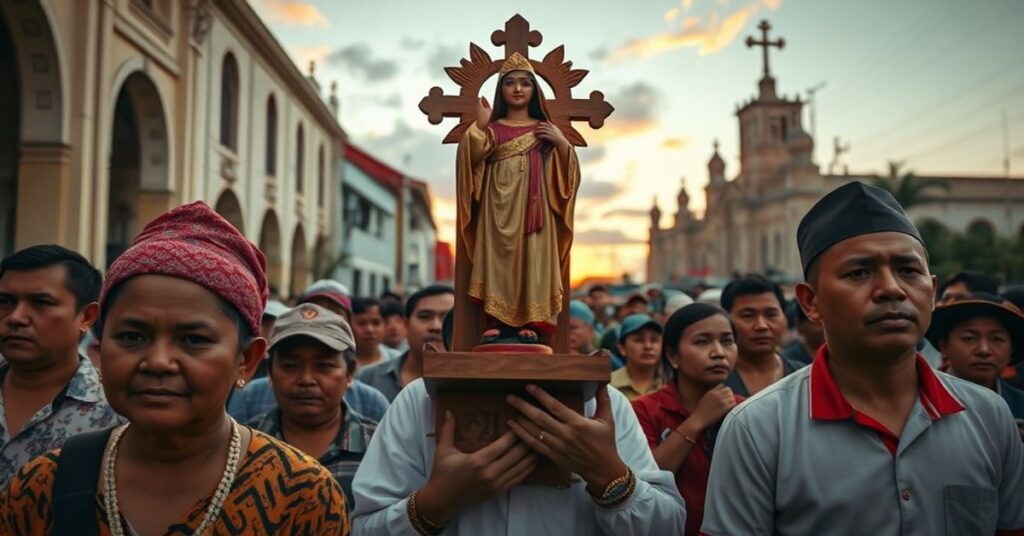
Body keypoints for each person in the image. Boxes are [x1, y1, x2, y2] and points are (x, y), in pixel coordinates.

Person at [0, 202, 348, 534]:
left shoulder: (302, 495)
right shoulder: (42, 487)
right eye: (133, 336)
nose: (158, 362)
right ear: (100, 347)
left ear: (247, 359)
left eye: (193, 340)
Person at [702, 182, 1024, 535]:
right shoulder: (758, 429)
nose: (891, 288)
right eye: (859, 272)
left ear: (932, 292)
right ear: (811, 302)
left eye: (907, 270)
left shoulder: (989, 417)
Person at [351, 377, 685, 534]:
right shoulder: (421, 400)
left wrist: (609, 475)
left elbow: (667, 527)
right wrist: (436, 502)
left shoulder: (597, 404)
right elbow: (364, 529)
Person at [457, 52, 579, 343]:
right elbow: (470, 158)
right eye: (510, 83)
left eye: (525, 83)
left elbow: (568, 175)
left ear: (534, 90)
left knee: (533, 260)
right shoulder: (493, 128)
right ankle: (497, 320)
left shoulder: (544, 130)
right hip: (496, 209)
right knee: (498, 259)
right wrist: (482, 127)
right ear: (501, 90)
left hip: (536, 213)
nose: (518, 88)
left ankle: (531, 322)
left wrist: (562, 145)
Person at [0, 245, 120, 490]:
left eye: (41, 302)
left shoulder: (115, 415)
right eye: (6, 301)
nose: (16, 317)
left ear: (87, 316)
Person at [631, 303, 743, 536]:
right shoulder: (644, 410)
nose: (718, 352)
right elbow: (642, 484)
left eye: (727, 341)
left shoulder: (748, 410)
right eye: (702, 342)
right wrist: (697, 421)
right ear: (672, 355)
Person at [249, 303, 376, 507]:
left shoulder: (379, 447)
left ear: (350, 373)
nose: (306, 379)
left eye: (324, 366)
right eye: (291, 366)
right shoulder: (242, 447)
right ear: (270, 373)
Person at [924, 293, 1024, 437]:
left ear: (1012, 349)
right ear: (944, 346)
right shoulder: (921, 404)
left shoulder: (1020, 405)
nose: (984, 350)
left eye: (997, 339)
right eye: (969, 338)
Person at [356, 285, 454, 402]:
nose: (436, 327)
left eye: (446, 318)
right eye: (425, 316)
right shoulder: (368, 377)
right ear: (406, 325)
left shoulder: (469, 381)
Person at [720, 275, 803, 396]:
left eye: (771, 314)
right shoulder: (713, 380)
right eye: (748, 315)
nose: (762, 326)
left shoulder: (805, 377)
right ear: (726, 320)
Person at [610, 314, 664, 401]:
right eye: (639, 340)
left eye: (654, 340)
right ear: (622, 348)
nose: (648, 346)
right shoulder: (608, 386)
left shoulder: (671, 386)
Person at [351, 298, 399, 367]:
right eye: (362, 323)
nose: (370, 330)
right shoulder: (342, 362)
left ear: (384, 325)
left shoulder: (397, 361)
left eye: (376, 323)